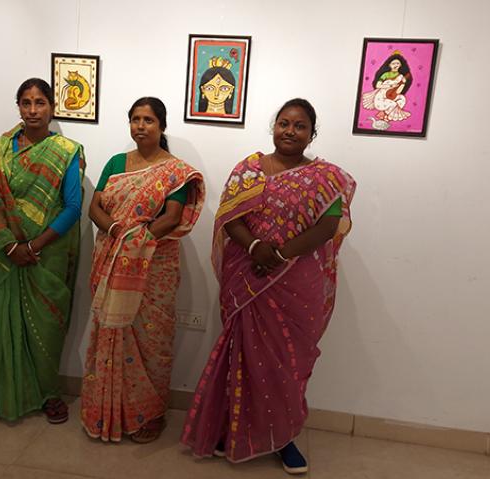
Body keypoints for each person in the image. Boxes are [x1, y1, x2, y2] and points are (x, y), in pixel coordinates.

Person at [181, 98, 356, 474]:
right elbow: (230, 217)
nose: (290, 131)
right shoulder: (248, 170)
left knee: (287, 363)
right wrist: (256, 248)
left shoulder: (325, 178)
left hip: (297, 281)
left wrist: (280, 255)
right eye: (284, 123)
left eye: (300, 126)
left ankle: (284, 437)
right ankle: (230, 429)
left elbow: (328, 226)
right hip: (248, 272)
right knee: (241, 356)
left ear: (312, 134)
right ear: (274, 127)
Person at [81, 97, 205, 443]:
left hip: (154, 265)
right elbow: (95, 206)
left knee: (153, 339)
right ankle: (109, 411)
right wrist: (117, 231)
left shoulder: (175, 171)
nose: (140, 126)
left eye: (148, 120)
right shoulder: (116, 163)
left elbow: (172, 216)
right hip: (113, 257)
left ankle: (150, 414)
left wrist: (136, 241)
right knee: (112, 331)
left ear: (162, 126)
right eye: (135, 119)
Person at [0, 78, 85, 423]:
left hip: (47, 253)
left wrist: (33, 245)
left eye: (40, 102)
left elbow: (73, 207)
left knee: (46, 327)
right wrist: (11, 245)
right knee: (3, 321)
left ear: (52, 108)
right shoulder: (1, 148)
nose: (33, 110)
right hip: (7, 252)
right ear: (18, 106)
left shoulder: (67, 150)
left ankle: (48, 393)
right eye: (26, 103)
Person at [361, 52, 413, 125]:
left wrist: (403, 83)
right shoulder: (385, 74)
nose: (395, 65)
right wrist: (390, 86)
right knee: (393, 104)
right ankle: (384, 115)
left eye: (397, 63)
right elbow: (378, 85)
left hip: (391, 95)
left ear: (400, 65)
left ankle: (386, 115)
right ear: (389, 65)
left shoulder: (401, 76)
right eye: (393, 63)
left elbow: (398, 92)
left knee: (402, 99)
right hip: (381, 96)